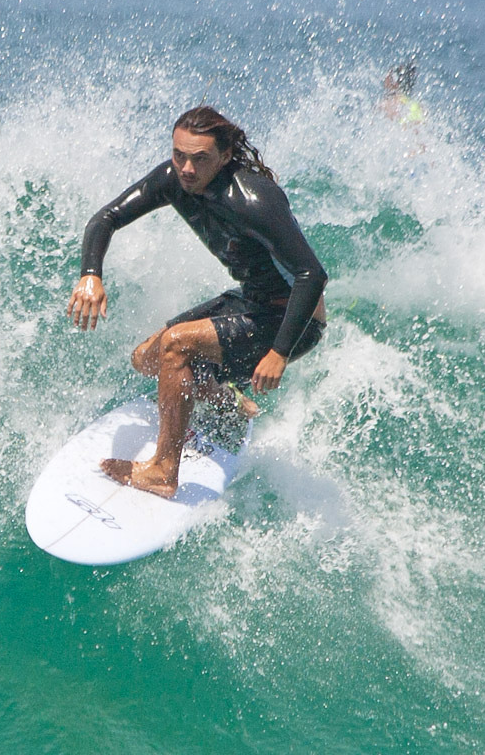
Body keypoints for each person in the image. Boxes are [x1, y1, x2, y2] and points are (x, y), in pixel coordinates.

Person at [66, 106, 328, 498]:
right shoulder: (174, 180)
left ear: (224, 157)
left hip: (292, 317)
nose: (186, 168)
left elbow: (312, 275)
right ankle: (228, 402)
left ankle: (162, 472)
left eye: (199, 158)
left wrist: (278, 352)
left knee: (176, 345)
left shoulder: (256, 199)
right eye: (179, 155)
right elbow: (106, 218)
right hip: (248, 301)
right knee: (146, 359)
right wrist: (91, 274)